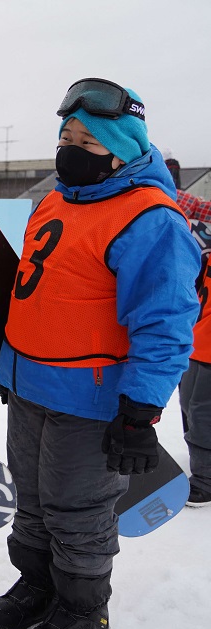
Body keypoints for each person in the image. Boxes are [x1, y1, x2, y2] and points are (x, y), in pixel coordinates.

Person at [0, 78, 200, 629]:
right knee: (30, 495)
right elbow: (39, 291)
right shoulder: (56, 199)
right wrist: (4, 358)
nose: (70, 149)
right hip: (31, 385)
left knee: (77, 507)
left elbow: (166, 322)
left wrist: (141, 409)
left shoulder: (151, 220)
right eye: (65, 137)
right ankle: (39, 584)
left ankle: (85, 611)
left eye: (88, 140)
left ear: (122, 149)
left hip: (94, 398)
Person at [167, 158, 211, 507]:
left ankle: (207, 480)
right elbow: (184, 202)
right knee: (191, 408)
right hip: (194, 336)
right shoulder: (201, 222)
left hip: (206, 344)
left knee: (201, 410)